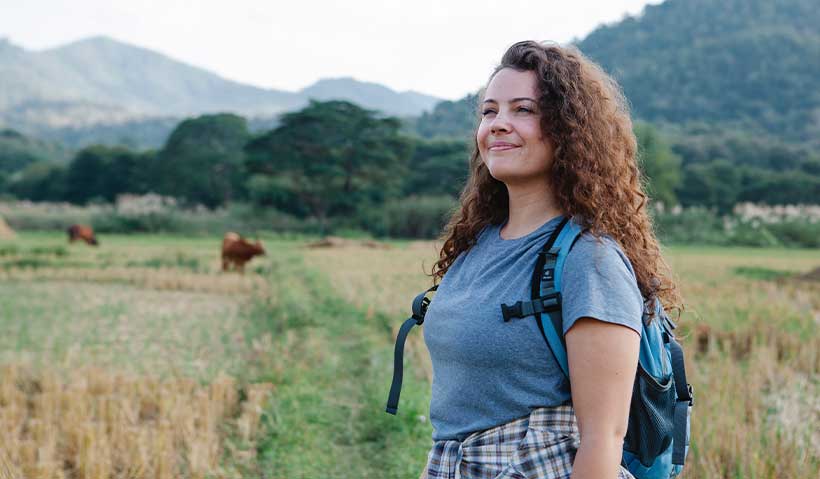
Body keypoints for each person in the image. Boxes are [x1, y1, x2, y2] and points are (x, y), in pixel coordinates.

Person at [420, 41, 683, 479]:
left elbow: (604, 436)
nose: (498, 125)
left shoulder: (589, 261)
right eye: (489, 111)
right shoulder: (476, 243)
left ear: (568, 129)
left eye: (523, 110)